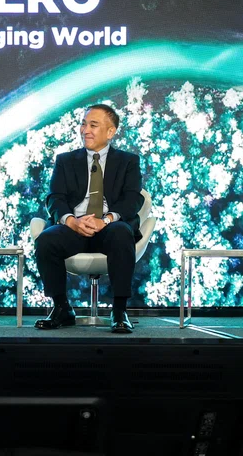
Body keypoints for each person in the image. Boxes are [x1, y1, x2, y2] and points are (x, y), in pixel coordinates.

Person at [34, 104, 144, 333]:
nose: (85, 130)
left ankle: (119, 310)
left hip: (109, 226)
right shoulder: (65, 160)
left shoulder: (128, 161)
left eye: (93, 125)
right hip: (75, 226)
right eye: (84, 124)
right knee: (46, 240)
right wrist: (71, 221)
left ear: (111, 131)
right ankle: (61, 307)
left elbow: (133, 199)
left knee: (122, 233)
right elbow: (55, 197)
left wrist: (106, 220)